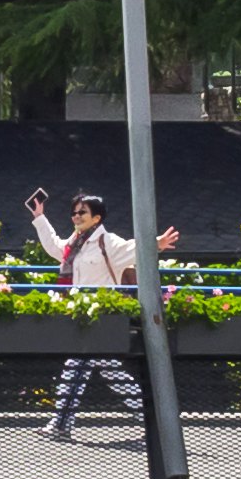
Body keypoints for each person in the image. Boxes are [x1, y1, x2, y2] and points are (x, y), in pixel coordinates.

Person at [25, 188, 180, 440]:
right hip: (83, 312)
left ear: (97, 218)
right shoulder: (74, 244)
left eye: (82, 212)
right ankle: (155, 418)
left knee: (77, 365)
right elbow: (54, 247)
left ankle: (61, 424)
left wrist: (158, 242)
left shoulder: (109, 243)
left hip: (102, 314)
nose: (76, 216)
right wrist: (40, 217)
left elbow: (137, 248)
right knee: (107, 369)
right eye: (74, 212)